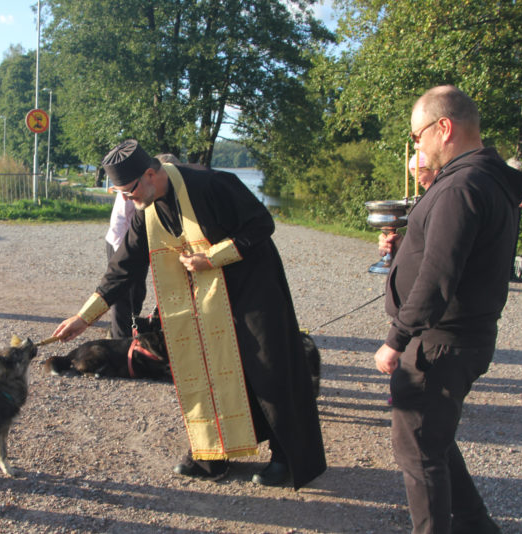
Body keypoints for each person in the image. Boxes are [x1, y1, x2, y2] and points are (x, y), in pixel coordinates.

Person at [53, 139, 326, 487]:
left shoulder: (211, 184)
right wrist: (83, 317)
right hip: (207, 298)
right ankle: (213, 455)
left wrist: (212, 258)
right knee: (204, 368)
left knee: (268, 368)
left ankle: (287, 457)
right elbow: (122, 270)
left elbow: (262, 225)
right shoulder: (146, 211)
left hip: (254, 288)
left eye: (129, 191)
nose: (127, 201)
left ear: (151, 174)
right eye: (119, 193)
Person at [373, 86, 522, 533]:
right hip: (462, 338)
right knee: (433, 440)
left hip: (439, 343)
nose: (417, 146)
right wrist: (406, 248)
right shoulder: (485, 178)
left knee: (418, 453)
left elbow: (439, 277)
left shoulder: (461, 186)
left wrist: (395, 340)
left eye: (418, 135)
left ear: (444, 128)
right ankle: (478, 527)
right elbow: (456, 254)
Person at [104, 190, 146, 338]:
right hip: (120, 242)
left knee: (138, 292)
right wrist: (122, 256)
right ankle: (119, 340)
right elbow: (119, 220)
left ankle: (126, 329)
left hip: (140, 244)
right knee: (121, 294)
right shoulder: (132, 182)